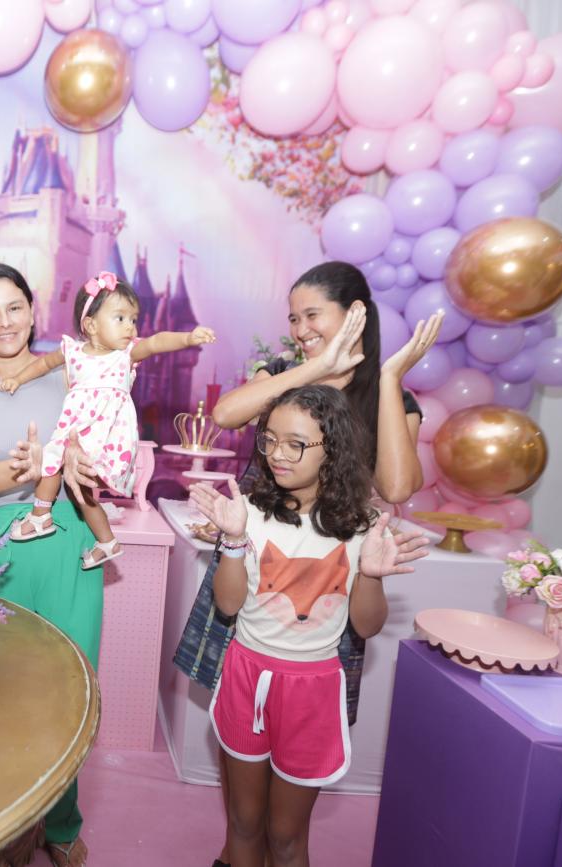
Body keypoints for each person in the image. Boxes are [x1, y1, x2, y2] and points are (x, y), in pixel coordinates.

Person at [176, 261, 442, 867]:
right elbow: (225, 415)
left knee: (292, 793)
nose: (299, 329)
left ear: (354, 315)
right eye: (293, 317)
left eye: (311, 315)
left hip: (332, 585)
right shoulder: (284, 373)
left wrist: (390, 375)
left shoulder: (388, 394)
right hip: (252, 559)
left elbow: (398, 487)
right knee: (242, 767)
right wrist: (315, 369)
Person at [0, 262, 103, 867]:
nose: (4, 322)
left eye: (14, 307)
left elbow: (98, 459)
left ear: (33, 311)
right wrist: (28, 468)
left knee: (66, 687)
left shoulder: (71, 372)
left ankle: (60, 822)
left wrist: (78, 463)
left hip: (64, 541)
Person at [1, 270, 215, 568]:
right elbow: (43, 364)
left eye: (133, 320)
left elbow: (156, 342)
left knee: (56, 463)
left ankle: (40, 516)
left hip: (108, 436)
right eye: (120, 318)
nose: (130, 327)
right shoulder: (72, 351)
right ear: (90, 325)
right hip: (77, 431)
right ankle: (105, 540)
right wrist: (17, 379)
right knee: (77, 487)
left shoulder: (126, 355)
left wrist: (188, 338)